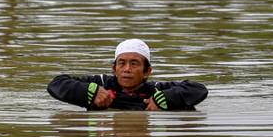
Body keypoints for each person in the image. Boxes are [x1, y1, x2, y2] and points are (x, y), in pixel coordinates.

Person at [47, 39, 208, 111]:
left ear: (147, 72)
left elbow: (198, 89)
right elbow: (57, 83)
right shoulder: (101, 83)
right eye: (122, 63)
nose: (127, 69)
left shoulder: (157, 90)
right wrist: (90, 92)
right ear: (114, 68)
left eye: (134, 63)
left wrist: (166, 99)